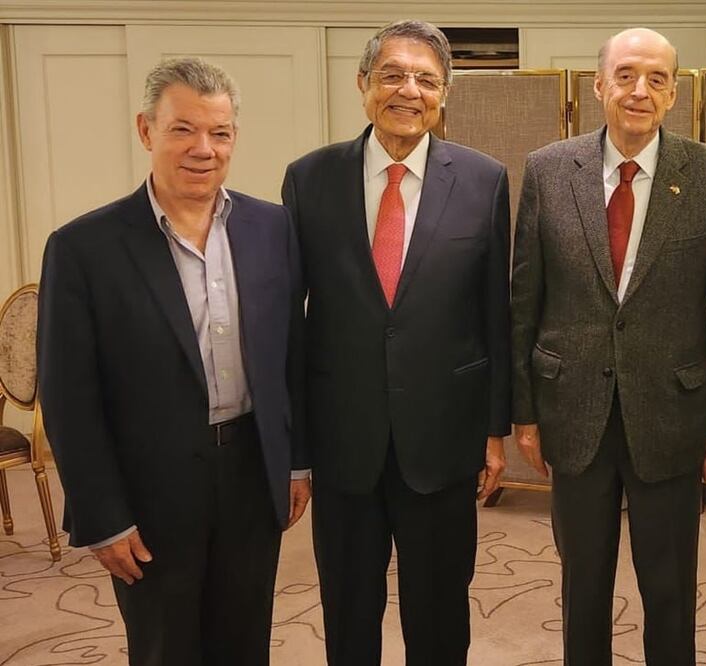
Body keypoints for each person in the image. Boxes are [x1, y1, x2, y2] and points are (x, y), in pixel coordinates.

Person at [37, 56, 310, 666]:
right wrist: (102, 516)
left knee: (245, 644)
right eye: (183, 129)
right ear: (146, 130)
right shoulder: (83, 248)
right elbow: (68, 397)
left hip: (250, 473)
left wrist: (296, 462)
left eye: (219, 132)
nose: (202, 149)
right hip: (149, 488)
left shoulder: (272, 227)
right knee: (166, 648)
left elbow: (289, 356)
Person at [510, 27, 706, 666]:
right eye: (625, 75)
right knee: (582, 584)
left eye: (656, 79)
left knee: (670, 588)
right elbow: (524, 299)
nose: (639, 90)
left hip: (672, 415)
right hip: (572, 412)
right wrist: (524, 412)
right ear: (598, 85)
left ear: (673, 93)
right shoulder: (548, 169)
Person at [281, 19, 511, 666]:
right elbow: (291, 324)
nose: (409, 91)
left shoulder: (485, 180)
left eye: (426, 80)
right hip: (342, 442)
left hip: (443, 438)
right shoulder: (308, 179)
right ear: (363, 84)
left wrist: (494, 429)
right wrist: (297, 453)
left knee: (439, 615)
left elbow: (495, 313)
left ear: (444, 94)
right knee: (348, 611)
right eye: (392, 75)